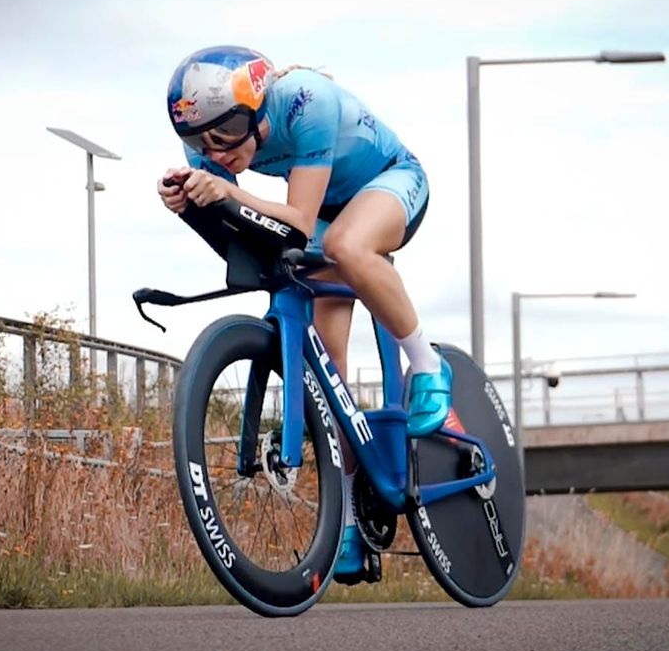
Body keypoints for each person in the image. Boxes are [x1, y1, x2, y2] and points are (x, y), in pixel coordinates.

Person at [158, 45, 450, 583]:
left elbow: (295, 221)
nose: (213, 152)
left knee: (345, 244)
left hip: (389, 183)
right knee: (327, 377)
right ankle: (348, 519)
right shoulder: (210, 132)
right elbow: (241, 229)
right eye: (200, 144)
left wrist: (220, 188)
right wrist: (192, 206)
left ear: (255, 113)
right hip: (325, 218)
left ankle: (428, 364)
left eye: (223, 139)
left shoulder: (304, 103)